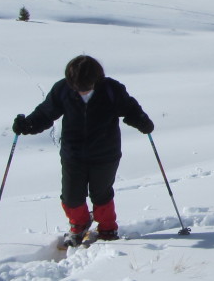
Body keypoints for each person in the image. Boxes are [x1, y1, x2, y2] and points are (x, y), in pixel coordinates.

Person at [12, 55, 154, 246]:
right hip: (73, 153)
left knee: (101, 193)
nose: (81, 91)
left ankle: (107, 228)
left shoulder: (111, 90)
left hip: (105, 153)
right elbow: (46, 113)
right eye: (77, 87)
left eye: (86, 86)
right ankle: (79, 224)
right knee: (71, 196)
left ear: (96, 79)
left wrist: (142, 121)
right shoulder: (63, 89)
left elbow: (130, 109)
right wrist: (28, 125)